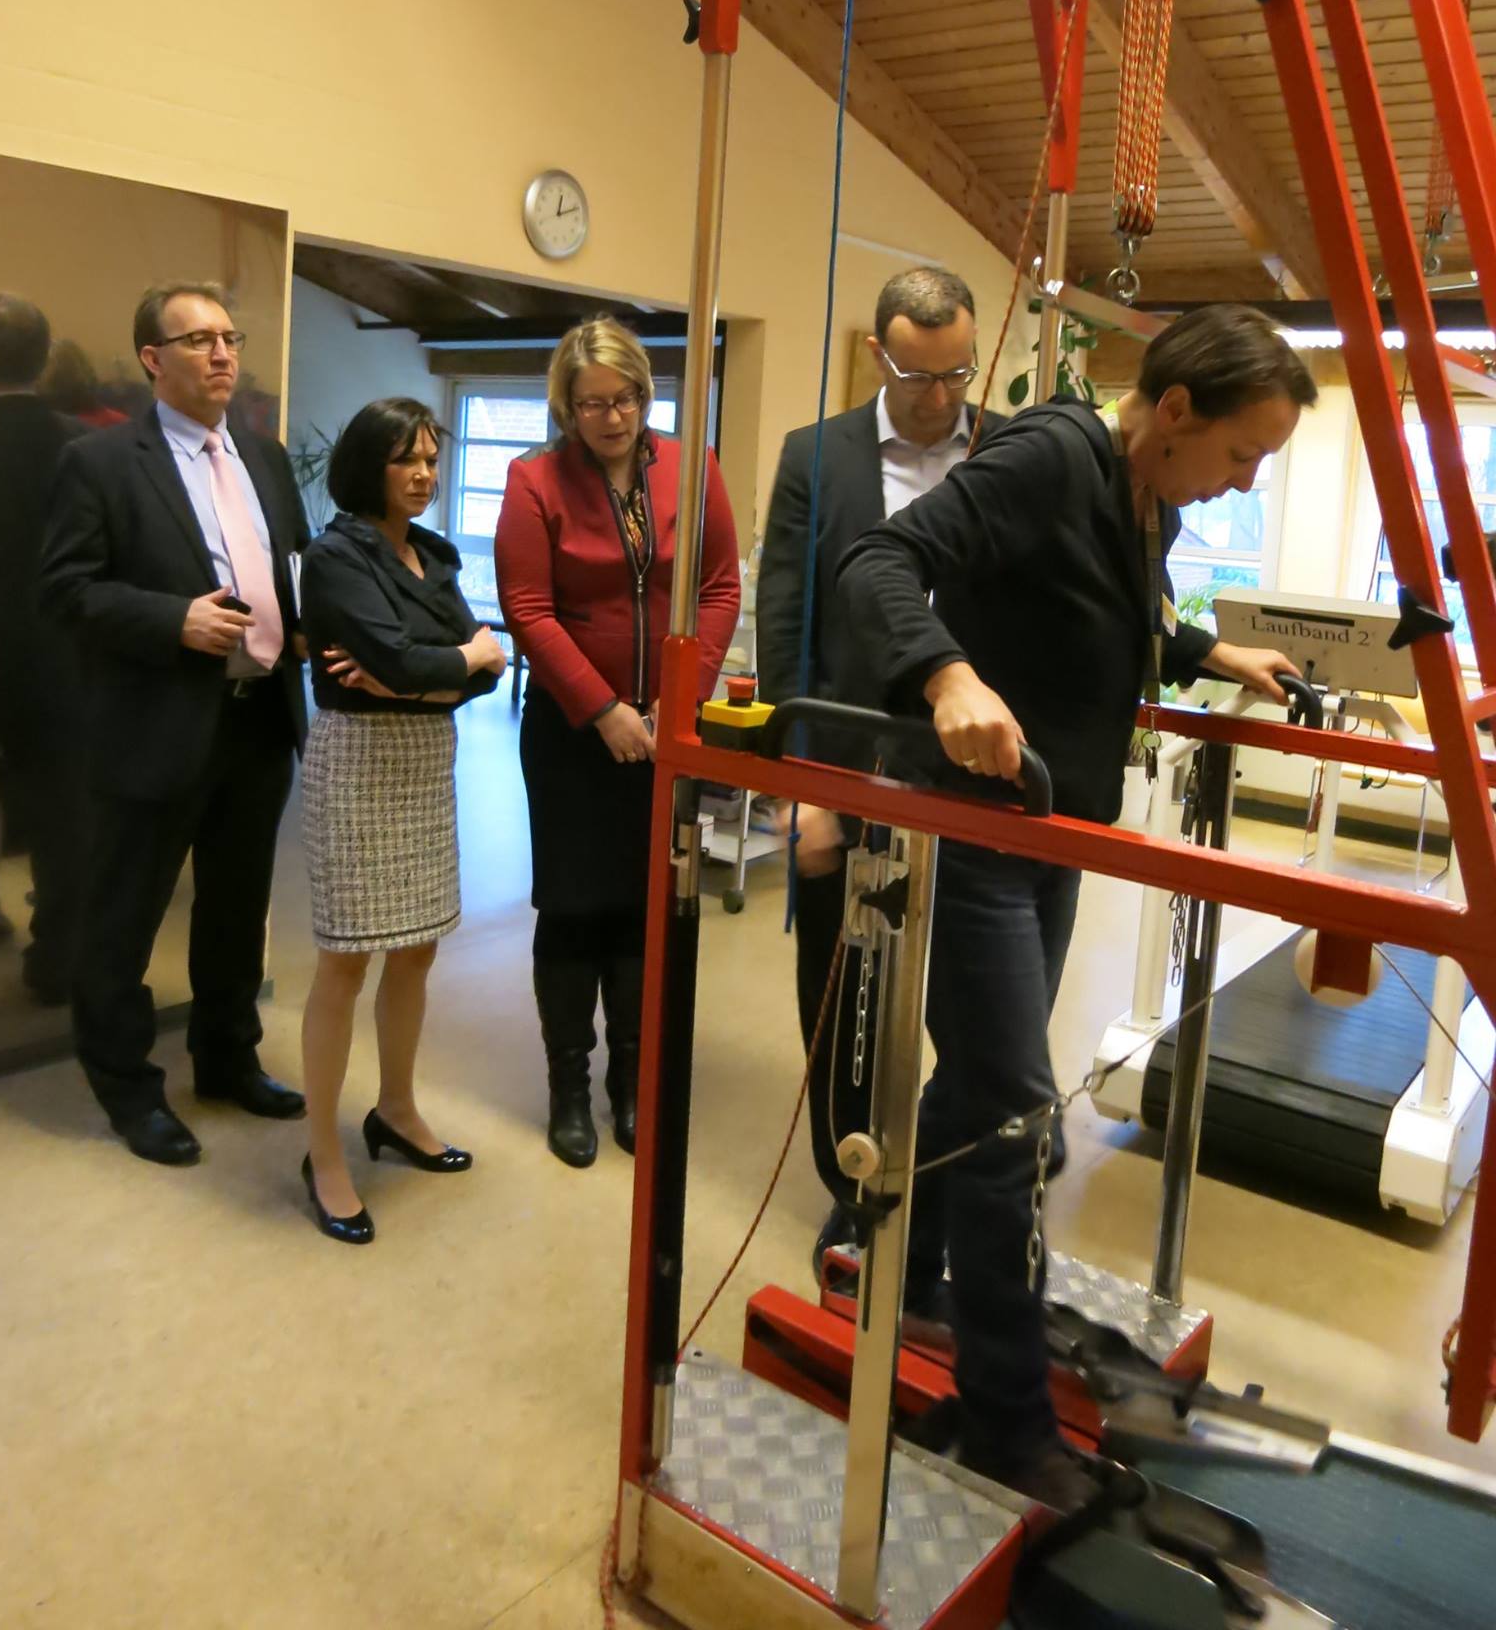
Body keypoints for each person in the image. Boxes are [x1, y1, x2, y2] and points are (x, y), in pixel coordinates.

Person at [838, 303, 1316, 1507]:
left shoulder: (1144, 492)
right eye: (1241, 454)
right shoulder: (1053, 455)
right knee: (1011, 1111)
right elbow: (878, 561)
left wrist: (1213, 656)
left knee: (978, 1078)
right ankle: (1003, 1421)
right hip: (971, 830)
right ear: (1171, 414)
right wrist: (946, 674)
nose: (1242, 480)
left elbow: (1103, 617)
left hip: (1049, 827)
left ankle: (899, 1270)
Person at [756, 267, 1001, 1269]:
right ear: (876, 352)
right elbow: (786, 622)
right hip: (850, 765)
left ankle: (940, 1189)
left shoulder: (1003, 448)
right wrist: (802, 783)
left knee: (971, 992)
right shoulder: (816, 456)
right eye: (918, 374)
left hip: (974, 771)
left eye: (958, 374)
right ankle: (851, 1184)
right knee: (845, 988)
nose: (941, 398)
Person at [39, 282, 310, 1166]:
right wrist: (172, 621)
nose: (222, 354)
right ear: (153, 360)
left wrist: (309, 628)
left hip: (257, 722)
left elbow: (293, 564)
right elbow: (66, 591)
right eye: (197, 341)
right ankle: (127, 1089)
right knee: (124, 919)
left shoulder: (265, 458)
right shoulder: (104, 463)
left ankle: (227, 1060)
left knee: (236, 913)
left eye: (229, 338)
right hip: (156, 724)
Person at [495, 319, 740, 1168]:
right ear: (564, 406)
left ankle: (631, 1083)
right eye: (592, 403)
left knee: (643, 908)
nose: (612, 417)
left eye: (627, 397)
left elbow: (717, 586)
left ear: (646, 393)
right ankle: (569, 1084)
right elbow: (528, 609)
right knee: (571, 905)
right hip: (571, 730)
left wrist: (681, 700)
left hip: (666, 726)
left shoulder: (692, 467)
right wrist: (602, 709)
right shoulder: (534, 479)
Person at [296, 399, 506, 1243]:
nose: (422, 474)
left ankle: (396, 1108)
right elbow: (411, 656)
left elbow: (483, 668)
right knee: (345, 958)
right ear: (366, 466)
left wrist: (426, 677)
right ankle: (324, 1154)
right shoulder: (334, 555)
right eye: (402, 460)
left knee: (417, 948)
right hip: (356, 762)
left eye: (429, 458)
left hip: (425, 762)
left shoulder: (435, 554)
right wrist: (448, 665)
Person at [0, 293, 85, 1003]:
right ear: (45, 360)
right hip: (57, 651)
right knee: (60, 816)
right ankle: (57, 960)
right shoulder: (80, 444)